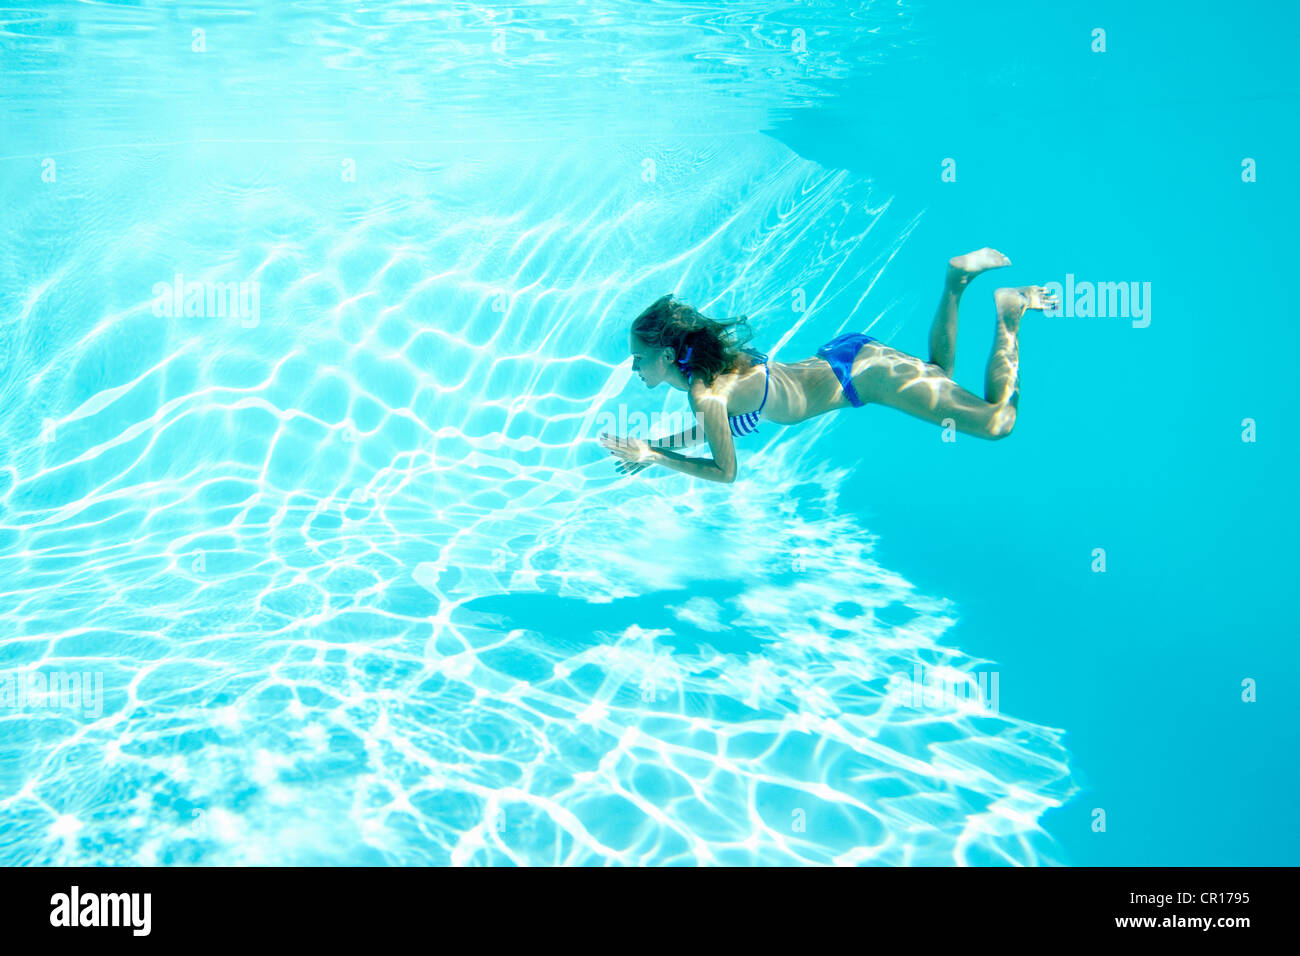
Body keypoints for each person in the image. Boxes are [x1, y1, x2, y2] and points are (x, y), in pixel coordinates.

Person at [598, 248, 1057, 484]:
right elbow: (714, 428)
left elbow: (726, 473)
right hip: (846, 354)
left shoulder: (704, 392)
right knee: (939, 372)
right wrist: (654, 447)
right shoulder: (709, 367)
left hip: (862, 376)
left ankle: (1009, 312)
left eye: (638, 357)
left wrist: (654, 456)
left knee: (999, 423)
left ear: (664, 355)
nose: (633, 367)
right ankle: (955, 283)